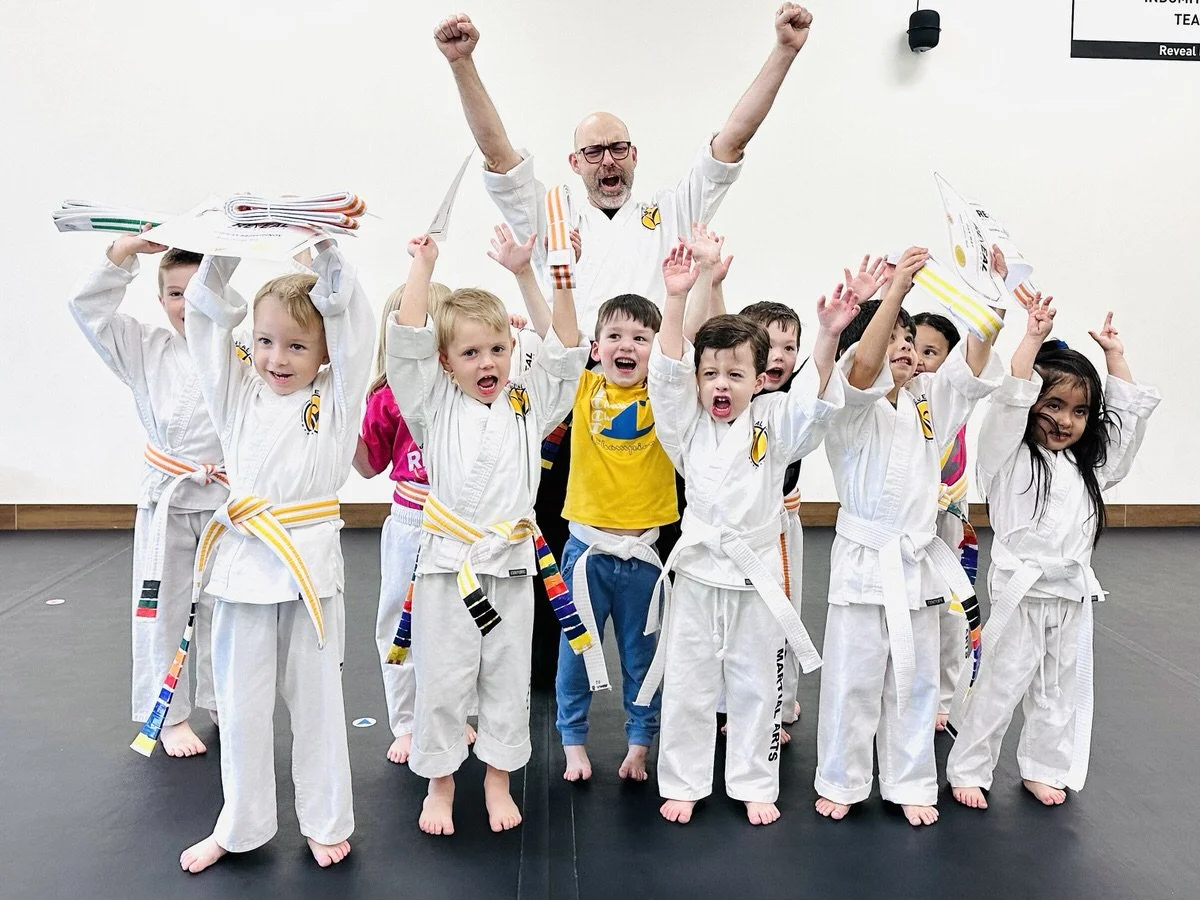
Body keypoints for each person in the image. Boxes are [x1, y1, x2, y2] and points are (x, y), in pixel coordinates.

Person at [434, 4, 817, 334]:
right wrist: (461, 63)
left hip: (654, 387)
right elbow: (499, 156)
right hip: (574, 390)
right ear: (575, 162)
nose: (608, 160)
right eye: (594, 151)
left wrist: (784, 51)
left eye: (617, 148)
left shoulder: (673, 212)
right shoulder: (552, 213)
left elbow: (732, 142)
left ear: (634, 154)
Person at [385, 221, 591, 836]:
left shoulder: (529, 404)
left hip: (508, 564)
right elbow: (406, 343)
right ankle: (441, 783)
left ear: (511, 350)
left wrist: (528, 273)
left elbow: (566, 348)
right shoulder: (431, 401)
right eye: (470, 353)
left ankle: (498, 780)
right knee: (443, 679)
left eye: (497, 350)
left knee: (506, 679)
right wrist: (422, 268)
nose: (487, 363)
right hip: (450, 566)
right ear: (445, 362)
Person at [638, 244, 852, 826]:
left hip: (755, 574)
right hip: (700, 572)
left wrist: (829, 338)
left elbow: (813, 409)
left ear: (760, 380)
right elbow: (666, 376)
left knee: (757, 681)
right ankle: (683, 780)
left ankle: (755, 779)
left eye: (735, 374)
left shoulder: (774, 420)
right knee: (689, 681)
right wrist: (677, 297)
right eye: (711, 375)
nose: (721, 386)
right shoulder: (685, 426)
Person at [176, 241, 372, 872]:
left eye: (295, 346)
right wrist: (226, 248)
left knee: (316, 699)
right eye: (263, 342)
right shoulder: (236, 393)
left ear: (324, 353)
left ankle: (325, 819)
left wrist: (326, 253)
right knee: (239, 702)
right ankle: (241, 825)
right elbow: (206, 318)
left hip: (308, 563)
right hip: (243, 560)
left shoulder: (338, 400)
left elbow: (355, 324)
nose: (275, 358)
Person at [813, 247, 1003, 828]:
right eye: (889, 337)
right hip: (866, 561)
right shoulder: (848, 405)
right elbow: (864, 371)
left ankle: (910, 779)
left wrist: (986, 293)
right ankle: (843, 779)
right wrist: (893, 291)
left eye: (908, 337)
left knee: (916, 680)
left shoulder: (926, 401)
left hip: (916, 563)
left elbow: (970, 367)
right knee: (853, 681)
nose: (902, 347)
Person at [946, 299, 1160, 808]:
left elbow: (1127, 430)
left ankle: (1045, 766)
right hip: (1021, 592)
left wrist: (1116, 359)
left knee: (1057, 690)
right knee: (1000, 685)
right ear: (1033, 407)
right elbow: (1008, 399)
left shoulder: (1090, 469)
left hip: (1069, 593)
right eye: (1054, 406)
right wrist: (1031, 339)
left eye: (1080, 411)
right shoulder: (1007, 455)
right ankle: (969, 768)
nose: (1066, 421)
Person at [488, 222, 676, 784]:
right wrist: (531, 272)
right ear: (597, 348)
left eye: (640, 338)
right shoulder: (585, 387)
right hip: (586, 552)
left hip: (644, 555)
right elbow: (555, 334)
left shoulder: (667, 395)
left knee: (642, 660)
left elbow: (681, 344)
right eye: (615, 336)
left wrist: (687, 287)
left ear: (655, 352)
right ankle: (573, 739)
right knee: (574, 656)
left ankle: (640, 742)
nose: (627, 347)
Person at [68, 227, 241, 758]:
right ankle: (168, 715)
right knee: (162, 607)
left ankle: (220, 699)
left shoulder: (244, 352)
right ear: (159, 297)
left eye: (198, 292)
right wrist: (122, 254)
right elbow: (89, 312)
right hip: (167, 498)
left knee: (225, 607)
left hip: (224, 502)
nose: (186, 305)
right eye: (173, 294)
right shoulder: (146, 348)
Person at [911, 310, 977, 731]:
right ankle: (906, 692)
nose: (917, 358)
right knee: (911, 607)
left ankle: (946, 698)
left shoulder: (949, 395)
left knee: (951, 608)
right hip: (906, 520)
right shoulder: (898, 397)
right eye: (911, 347)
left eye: (930, 352)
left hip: (949, 508)